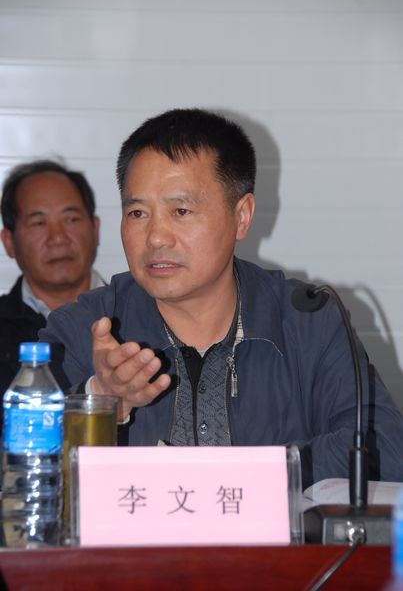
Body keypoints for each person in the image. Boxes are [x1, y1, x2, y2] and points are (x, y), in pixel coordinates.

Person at [40, 108, 403, 488]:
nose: (156, 237)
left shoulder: (308, 320)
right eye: (137, 213)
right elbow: (25, 463)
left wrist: (235, 481)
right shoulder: (85, 327)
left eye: (181, 211)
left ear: (241, 216)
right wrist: (100, 399)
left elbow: (385, 450)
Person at [0, 159, 103, 399]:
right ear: (9, 242)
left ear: (95, 229)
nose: (58, 238)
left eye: (71, 219)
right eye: (39, 223)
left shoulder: (143, 315)